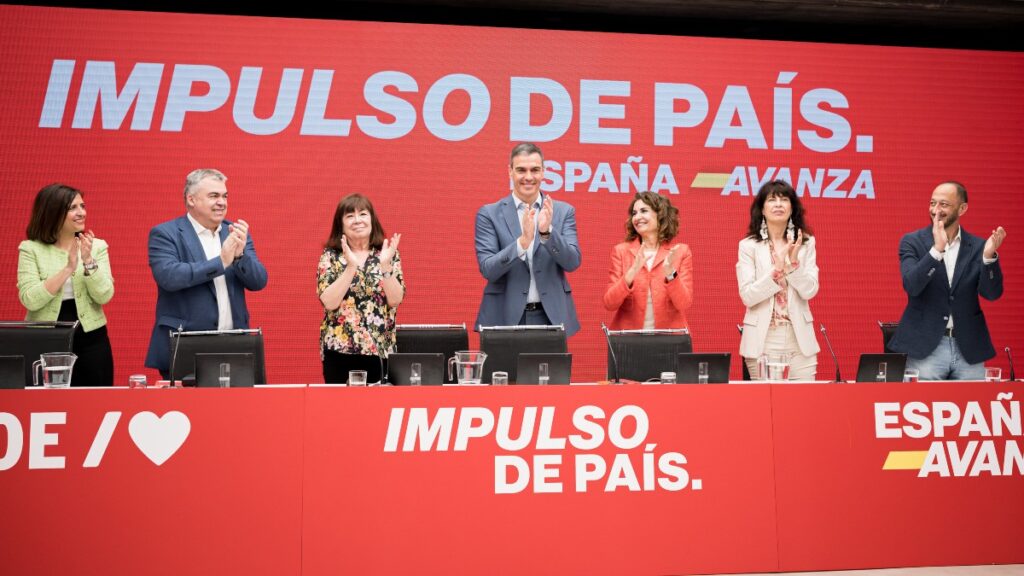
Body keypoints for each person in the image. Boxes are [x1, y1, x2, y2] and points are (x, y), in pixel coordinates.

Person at [145, 169, 268, 378]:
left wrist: (239, 258)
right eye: (214, 196)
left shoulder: (235, 232)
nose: (222, 202)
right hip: (185, 344)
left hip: (234, 343)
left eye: (224, 196)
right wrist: (221, 262)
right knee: (189, 409)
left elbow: (259, 281)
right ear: (191, 199)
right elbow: (170, 276)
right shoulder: (166, 233)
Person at [888, 181, 1006, 380]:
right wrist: (936, 250)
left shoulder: (978, 246)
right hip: (925, 346)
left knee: (971, 407)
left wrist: (988, 258)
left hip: (969, 347)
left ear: (962, 208)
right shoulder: (912, 241)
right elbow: (912, 286)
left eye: (944, 204)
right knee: (923, 406)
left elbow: (991, 294)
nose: (936, 210)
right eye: (932, 203)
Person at [474, 143, 581, 335]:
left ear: (544, 172)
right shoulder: (489, 213)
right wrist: (521, 244)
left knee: (550, 367)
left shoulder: (563, 211)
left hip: (550, 318)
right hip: (503, 316)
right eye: (521, 170)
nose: (528, 177)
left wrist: (547, 232)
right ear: (510, 172)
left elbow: (572, 262)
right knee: (503, 367)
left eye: (535, 170)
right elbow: (488, 269)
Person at [17, 183, 115, 386]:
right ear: (53, 212)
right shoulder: (30, 249)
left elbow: (104, 295)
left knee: (96, 403)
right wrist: (68, 269)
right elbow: (30, 299)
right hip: (45, 337)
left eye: (83, 206)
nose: (81, 213)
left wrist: (88, 262)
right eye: (73, 208)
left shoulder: (96, 246)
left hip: (91, 338)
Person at [737, 180, 820, 380]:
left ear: (792, 208)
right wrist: (777, 269)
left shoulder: (805, 243)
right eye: (772, 200)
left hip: (799, 338)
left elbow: (810, 290)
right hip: (763, 339)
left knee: (803, 405)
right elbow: (748, 296)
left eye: (784, 200)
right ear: (762, 210)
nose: (778, 204)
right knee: (767, 406)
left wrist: (792, 265)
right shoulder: (749, 246)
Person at [317, 194, 404, 384]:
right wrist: (350, 267)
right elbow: (330, 302)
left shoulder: (387, 253)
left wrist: (386, 266)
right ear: (341, 224)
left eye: (363, 214)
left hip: (380, 349)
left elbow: (395, 299)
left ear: (372, 220)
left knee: (378, 411)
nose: (357, 220)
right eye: (350, 216)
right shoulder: (331, 256)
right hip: (339, 352)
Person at [603, 191, 693, 330]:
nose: (637, 217)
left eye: (643, 211)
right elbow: (609, 303)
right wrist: (631, 272)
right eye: (634, 213)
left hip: (669, 341)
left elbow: (684, 303)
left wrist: (670, 273)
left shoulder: (681, 252)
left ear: (660, 215)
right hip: (628, 341)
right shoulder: (621, 251)